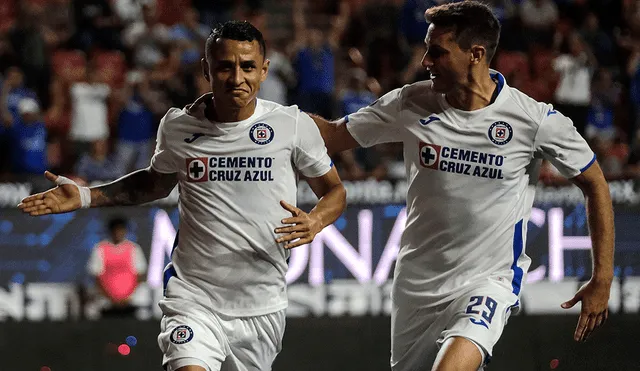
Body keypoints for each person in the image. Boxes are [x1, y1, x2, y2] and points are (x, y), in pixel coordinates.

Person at [190, 3, 614, 370]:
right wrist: (254, 108)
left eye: (437, 51)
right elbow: (335, 135)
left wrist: (602, 278)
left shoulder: (534, 121)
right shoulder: (412, 102)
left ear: (477, 54)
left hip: (489, 279)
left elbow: (595, 184)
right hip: (417, 284)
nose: (426, 60)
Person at [19, 20, 346, 371]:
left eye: (248, 67)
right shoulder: (178, 127)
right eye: (225, 66)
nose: (237, 78)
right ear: (207, 69)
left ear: (264, 70)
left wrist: (315, 220)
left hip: (261, 306)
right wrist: (85, 196)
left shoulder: (293, 126)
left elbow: (334, 191)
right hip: (193, 297)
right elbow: (153, 184)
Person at [87, 216, 147, 318]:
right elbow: (96, 277)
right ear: (110, 231)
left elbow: (140, 275)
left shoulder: (134, 249)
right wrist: (111, 298)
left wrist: (128, 297)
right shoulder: (100, 249)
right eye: (115, 230)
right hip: (107, 303)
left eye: (121, 229)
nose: (118, 233)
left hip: (130, 303)